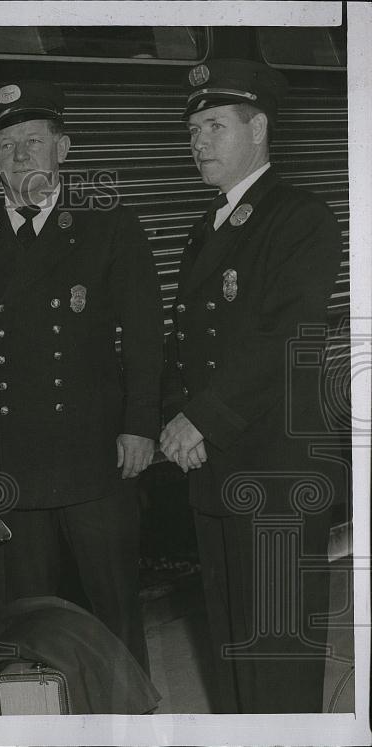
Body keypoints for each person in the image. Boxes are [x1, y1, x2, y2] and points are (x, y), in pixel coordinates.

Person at [0, 80, 163, 671]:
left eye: (34, 142)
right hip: (7, 460)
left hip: (97, 453)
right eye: (6, 146)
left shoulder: (111, 228)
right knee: (27, 624)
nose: (20, 156)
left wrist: (139, 425)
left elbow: (143, 339)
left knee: (114, 613)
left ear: (64, 148)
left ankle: (126, 725)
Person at [160, 58, 345, 713]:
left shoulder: (299, 217)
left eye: (213, 125)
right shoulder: (204, 226)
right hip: (215, 467)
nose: (197, 141)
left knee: (277, 655)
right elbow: (188, 346)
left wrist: (199, 418)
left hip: (273, 469)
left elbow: (284, 337)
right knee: (233, 647)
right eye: (192, 131)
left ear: (259, 127)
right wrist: (178, 420)